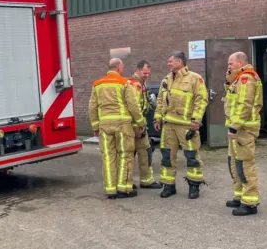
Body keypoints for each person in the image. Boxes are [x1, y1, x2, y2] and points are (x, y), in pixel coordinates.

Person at [89, 58, 147, 199]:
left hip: (104, 126)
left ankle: (110, 190)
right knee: (125, 155)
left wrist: (95, 126)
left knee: (108, 157)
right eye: (122, 66)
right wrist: (141, 122)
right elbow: (132, 104)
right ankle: (124, 188)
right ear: (119, 67)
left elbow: (92, 107)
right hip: (122, 125)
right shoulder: (124, 83)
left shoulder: (97, 84)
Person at [153, 51, 208, 199]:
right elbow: (160, 100)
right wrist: (157, 119)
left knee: (192, 156)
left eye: (170, 61)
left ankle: (194, 186)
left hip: (187, 126)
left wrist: (196, 121)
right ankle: (169, 186)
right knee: (166, 156)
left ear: (180, 62)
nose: (168, 63)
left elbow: (201, 100)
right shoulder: (166, 79)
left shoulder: (195, 78)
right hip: (168, 125)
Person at [223, 51, 264, 216]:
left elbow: (244, 104)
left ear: (240, 63)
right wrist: (230, 76)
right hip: (238, 128)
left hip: (244, 129)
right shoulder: (239, 78)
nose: (228, 66)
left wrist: (234, 126)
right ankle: (239, 197)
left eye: (231, 63)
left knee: (245, 165)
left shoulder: (247, 78)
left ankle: (250, 203)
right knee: (234, 164)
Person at [127, 60, 161, 189]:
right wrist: (139, 125)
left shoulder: (142, 84)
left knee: (145, 151)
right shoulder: (133, 84)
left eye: (148, 73)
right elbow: (134, 106)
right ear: (138, 70)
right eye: (145, 73)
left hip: (140, 124)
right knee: (130, 154)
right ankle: (127, 182)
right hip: (134, 125)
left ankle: (146, 180)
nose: (147, 75)